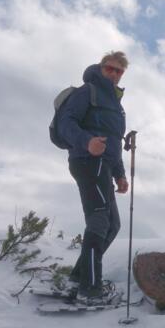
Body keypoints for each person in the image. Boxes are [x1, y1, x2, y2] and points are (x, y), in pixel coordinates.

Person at [56, 51, 129, 304]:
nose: (114, 74)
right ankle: (90, 288)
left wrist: (120, 174)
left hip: (105, 166)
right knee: (99, 220)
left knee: (113, 224)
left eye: (119, 71)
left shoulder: (117, 105)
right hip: (87, 161)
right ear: (101, 68)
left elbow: (114, 143)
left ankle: (78, 278)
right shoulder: (87, 91)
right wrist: (87, 141)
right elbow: (66, 123)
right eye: (110, 68)